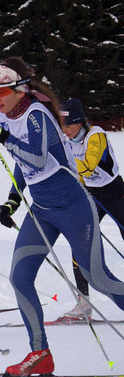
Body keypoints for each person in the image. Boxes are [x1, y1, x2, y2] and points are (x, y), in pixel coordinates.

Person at [0, 57, 124, 376]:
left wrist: (0, 136)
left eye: (0, 91)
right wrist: (13, 201)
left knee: (97, 277)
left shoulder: (37, 114)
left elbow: (38, 158)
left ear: (19, 90)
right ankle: (40, 353)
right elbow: (21, 164)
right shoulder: (9, 117)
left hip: (73, 207)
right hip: (42, 209)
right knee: (20, 277)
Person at [60, 97, 124, 320]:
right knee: (79, 243)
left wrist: (65, 168)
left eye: (67, 125)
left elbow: (88, 165)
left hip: (114, 193)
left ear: (79, 121)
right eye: (62, 125)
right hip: (90, 195)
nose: (64, 130)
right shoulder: (66, 138)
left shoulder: (95, 135)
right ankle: (83, 303)